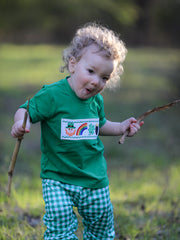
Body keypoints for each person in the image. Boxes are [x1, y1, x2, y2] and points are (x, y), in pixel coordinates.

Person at [11, 23, 143, 240]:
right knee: (60, 223)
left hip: (93, 177)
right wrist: (19, 124)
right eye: (91, 71)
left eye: (104, 78)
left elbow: (98, 125)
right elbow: (25, 110)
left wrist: (121, 127)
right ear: (73, 64)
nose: (96, 81)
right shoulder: (52, 95)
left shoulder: (95, 100)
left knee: (101, 226)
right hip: (58, 177)